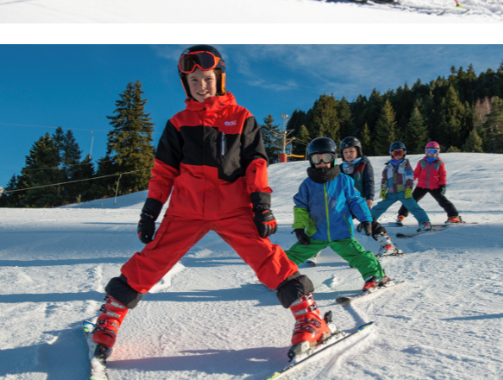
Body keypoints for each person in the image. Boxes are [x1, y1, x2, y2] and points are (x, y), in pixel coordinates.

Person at [89, 46, 329, 364]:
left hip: (234, 209)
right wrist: (150, 211)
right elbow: (163, 172)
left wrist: (262, 205)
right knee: (151, 262)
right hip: (186, 211)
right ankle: (109, 319)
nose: (201, 86)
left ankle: (309, 317)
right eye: (193, 81)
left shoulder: (242, 118)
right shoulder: (178, 124)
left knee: (268, 260)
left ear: (220, 78)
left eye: (207, 78)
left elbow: (255, 164)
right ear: (185, 85)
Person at [286, 137, 393, 294]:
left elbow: (356, 200)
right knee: (293, 254)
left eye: (327, 158)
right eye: (317, 158)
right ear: (311, 160)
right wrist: (299, 228)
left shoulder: (344, 180)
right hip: (315, 233)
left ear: (334, 159)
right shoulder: (307, 184)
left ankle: (375, 276)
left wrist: (365, 219)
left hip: (341, 233)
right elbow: (301, 207)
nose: (322, 162)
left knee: (358, 255)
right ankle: (276, 275)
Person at [369, 141, 432, 235]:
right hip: (391, 193)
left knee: (413, 207)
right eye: (395, 153)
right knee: (379, 207)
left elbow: (410, 177)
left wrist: (409, 188)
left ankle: (425, 223)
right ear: (391, 154)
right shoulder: (388, 166)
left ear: (404, 153)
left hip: (403, 192)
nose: (398, 155)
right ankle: (368, 223)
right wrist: (383, 189)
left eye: (400, 153)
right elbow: (384, 179)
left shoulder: (405, 164)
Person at [396, 140, 462, 225]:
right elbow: (416, 173)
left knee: (443, 201)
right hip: (421, 186)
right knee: (410, 200)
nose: (431, 153)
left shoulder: (439, 163)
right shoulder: (422, 162)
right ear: (426, 152)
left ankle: (454, 216)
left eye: (434, 151)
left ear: (438, 152)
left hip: (435, 186)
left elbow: (442, 175)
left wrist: (442, 185)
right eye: (429, 151)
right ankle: (401, 215)